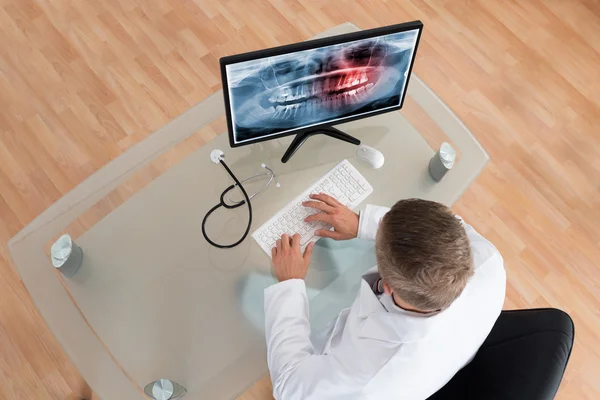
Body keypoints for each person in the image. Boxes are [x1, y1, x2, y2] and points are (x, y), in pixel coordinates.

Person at [264, 194, 506, 400]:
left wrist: (289, 285)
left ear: (388, 286)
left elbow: (288, 384)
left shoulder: (367, 373)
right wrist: (363, 223)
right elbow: (454, 225)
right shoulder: (489, 260)